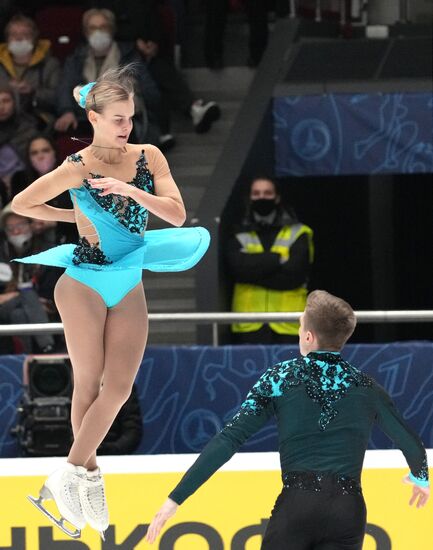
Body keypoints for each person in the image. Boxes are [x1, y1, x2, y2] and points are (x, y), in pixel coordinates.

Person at [11, 64, 210, 539]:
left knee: (118, 388)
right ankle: (88, 476)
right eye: (118, 118)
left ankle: (68, 475)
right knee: (88, 384)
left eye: (130, 117)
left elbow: (178, 215)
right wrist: (71, 210)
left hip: (128, 281)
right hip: (82, 281)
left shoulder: (149, 156)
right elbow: (21, 205)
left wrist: (126, 191)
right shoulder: (76, 167)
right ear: (94, 119)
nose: (127, 127)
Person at [146, 290, 430, 548]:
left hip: (297, 508)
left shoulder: (280, 379)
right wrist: (421, 478)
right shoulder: (366, 387)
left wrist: (176, 498)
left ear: (308, 337)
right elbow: (410, 442)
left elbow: (228, 439)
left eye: (299, 326)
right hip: (348, 511)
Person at [227, 176, 314, 344]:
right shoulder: (238, 233)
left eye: (267, 193)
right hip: (249, 326)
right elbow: (237, 270)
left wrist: (252, 273)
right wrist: (277, 260)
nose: (262, 197)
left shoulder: (299, 232)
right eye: (256, 193)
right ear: (249, 198)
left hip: (289, 326)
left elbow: (294, 276)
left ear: (277, 197)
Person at [54, 8, 160, 144]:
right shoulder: (76, 59)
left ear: (112, 29)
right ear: (86, 33)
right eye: (92, 28)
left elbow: (151, 93)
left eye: (103, 27)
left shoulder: (129, 56)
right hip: (85, 119)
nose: (98, 32)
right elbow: (65, 87)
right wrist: (66, 111)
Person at [0, 203, 57, 353]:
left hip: (28, 310)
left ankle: (26, 355)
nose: (16, 231)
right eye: (10, 229)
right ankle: (47, 346)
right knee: (28, 295)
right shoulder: (2, 253)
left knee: (18, 314)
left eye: (20, 225)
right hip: (4, 306)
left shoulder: (43, 249)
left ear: (31, 225)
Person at [11, 135, 78, 244]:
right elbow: (12, 214)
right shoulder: (20, 179)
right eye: (34, 153)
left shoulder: (72, 178)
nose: (40, 156)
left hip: (69, 237)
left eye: (45, 150)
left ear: (55, 153)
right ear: (29, 158)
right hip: (30, 240)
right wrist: (30, 223)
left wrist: (54, 221)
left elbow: (83, 217)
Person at [0, 14, 60, 125]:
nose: (19, 38)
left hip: (37, 121)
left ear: (34, 38)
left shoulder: (50, 65)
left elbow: (58, 97)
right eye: (14, 34)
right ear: (7, 39)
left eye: (25, 34)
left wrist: (32, 92)